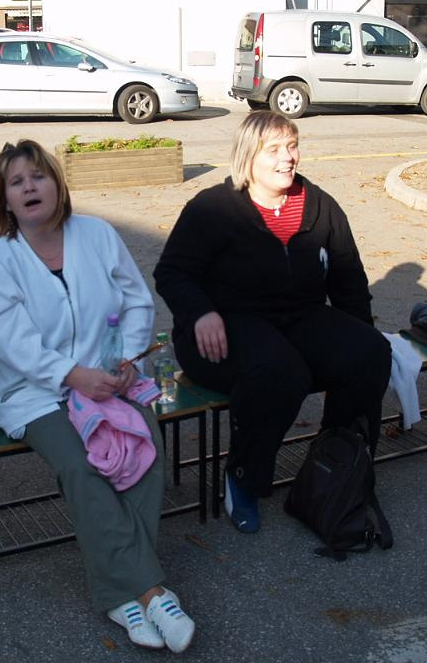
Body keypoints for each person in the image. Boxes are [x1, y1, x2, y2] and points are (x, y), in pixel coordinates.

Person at [0, 140, 196, 653]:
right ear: (5, 200)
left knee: (143, 444)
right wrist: (71, 375)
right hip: (35, 392)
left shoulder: (96, 234)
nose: (30, 187)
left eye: (38, 176)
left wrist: (126, 360)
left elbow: (136, 301)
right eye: (16, 182)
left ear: (57, 184)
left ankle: (121, 594)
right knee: (80, 464)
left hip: (109, 377)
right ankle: (150, 591)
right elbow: (9, 337)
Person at [153, 110, 391, 535]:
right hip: (222, 329)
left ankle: (336, 461)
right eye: (274, 150)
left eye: (292, 146)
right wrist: (200, 312)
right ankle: (244, 476)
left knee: (369, 352)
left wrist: (358, 336)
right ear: (248, 157)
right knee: (280, 372)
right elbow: (172, 273)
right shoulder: (212, 208)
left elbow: (349, 280)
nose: (287, 158)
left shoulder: (319, 205)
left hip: (298, 319)